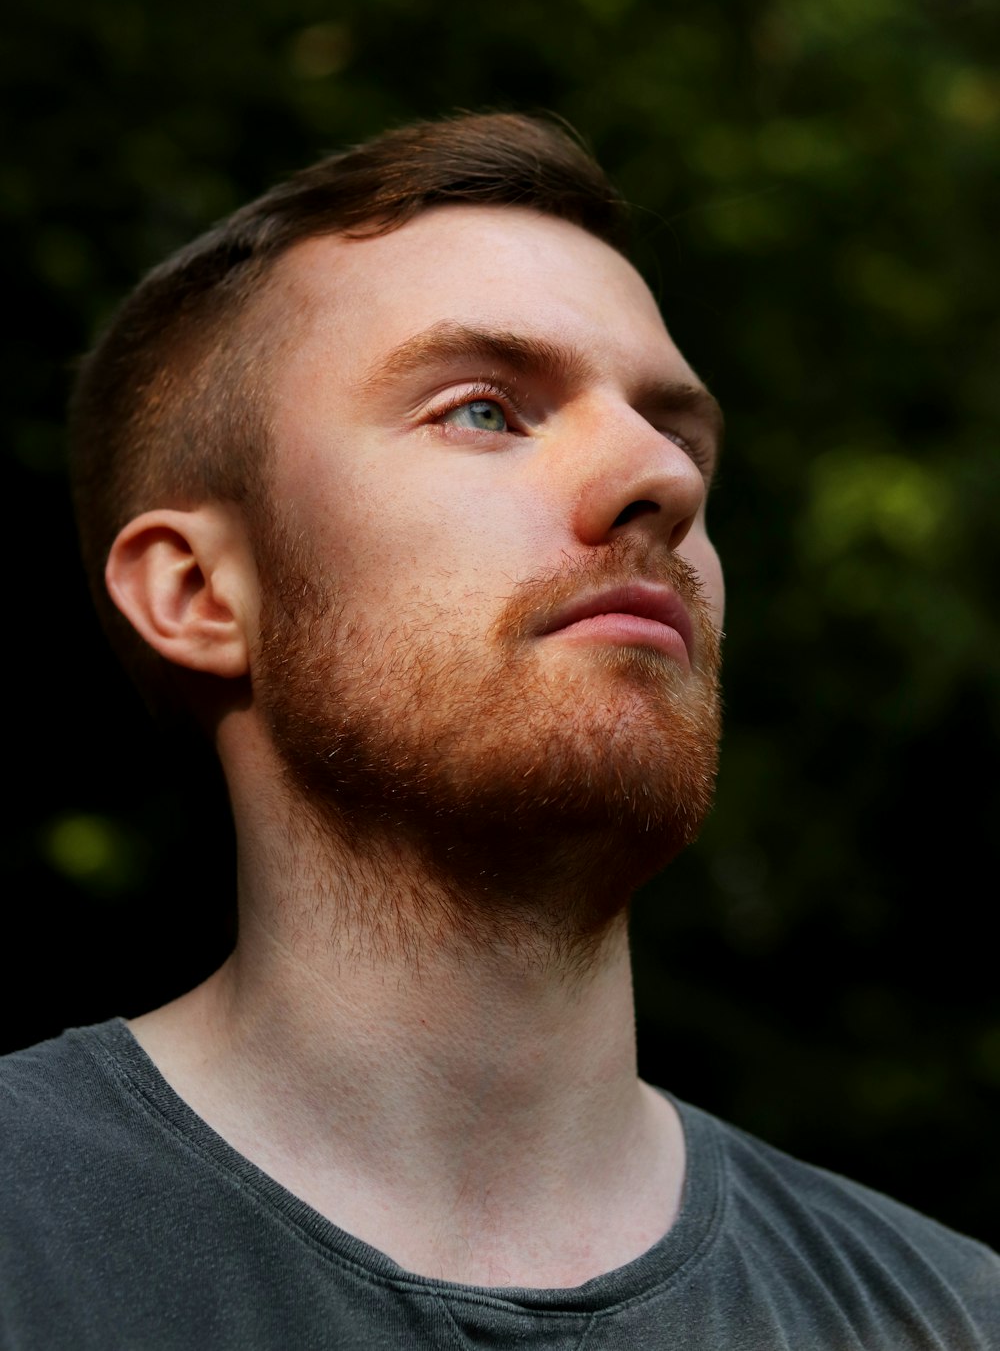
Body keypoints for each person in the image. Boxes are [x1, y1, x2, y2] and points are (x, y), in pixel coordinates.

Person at [1, 113, 996, 1350]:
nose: (664, 482)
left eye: (677, 436)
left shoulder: (948, 1318)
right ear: (201, 595)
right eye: (483, 411)